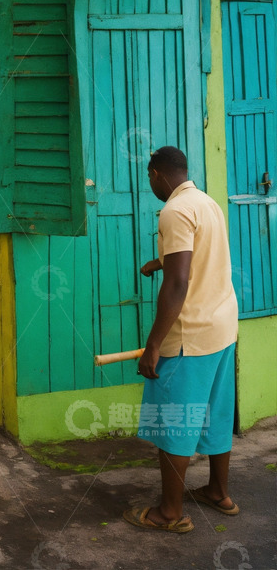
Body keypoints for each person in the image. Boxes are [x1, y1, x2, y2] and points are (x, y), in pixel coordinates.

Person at [123, 146, 239, 534]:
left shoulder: (173, 211)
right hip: (223, 327)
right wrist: (159, 261)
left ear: (157, 173)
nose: (150, 184)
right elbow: (201, 254)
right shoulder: (206, 202)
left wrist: (154, 344)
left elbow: (178, 281)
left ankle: (169, 513)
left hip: (190, 336)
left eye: (149, 177)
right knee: (215, 413)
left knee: (175, 422)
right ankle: (218, 492)